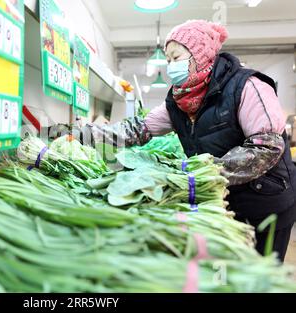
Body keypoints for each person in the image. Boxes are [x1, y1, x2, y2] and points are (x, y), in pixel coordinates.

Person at [68, 20, 296, 262]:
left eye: (176, 58)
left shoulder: (247, 86)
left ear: (199, 55)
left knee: (258, 272)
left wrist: (203, 171)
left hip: (266, 200)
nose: (170, 67)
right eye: (167, 60)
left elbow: (267, 147)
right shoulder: (179, 101)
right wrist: (84, 134)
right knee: (227, 273)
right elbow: (138, 129)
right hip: (223, 200)